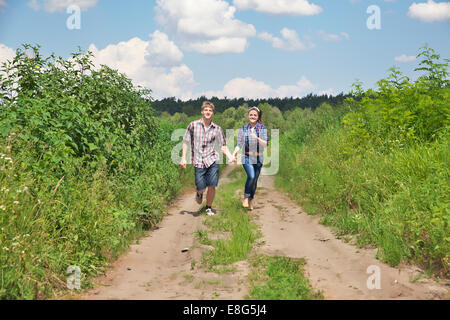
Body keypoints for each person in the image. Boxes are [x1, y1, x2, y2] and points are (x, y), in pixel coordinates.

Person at [180, 101, 234, 216]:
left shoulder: (217, 129)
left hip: (212, 159)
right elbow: (185, 141)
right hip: (198, 161)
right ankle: (199, 193)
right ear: (202, 112)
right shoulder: (193, 125)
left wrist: (229, 156)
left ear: (212, 113)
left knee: (212, 185)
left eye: (210, 110)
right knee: (201, 187)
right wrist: (183, 158)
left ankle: (208, 207)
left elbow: (223, 145)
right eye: (206, 110)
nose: (208, 112)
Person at [232, 106, 269, 211]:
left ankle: (250, 200)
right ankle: (245, 197)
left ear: (258, 117)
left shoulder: (262, 128)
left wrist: (257, 138)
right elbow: (239, 144)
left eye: (255, 115)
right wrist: (234, 153)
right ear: (248, 116)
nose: (252, 116)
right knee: (251, 176)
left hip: (258, 158)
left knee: (254, 181)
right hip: (246, 156)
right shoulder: (243, 129)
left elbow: (265, 144)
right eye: (251, 115)